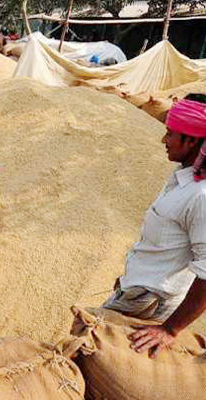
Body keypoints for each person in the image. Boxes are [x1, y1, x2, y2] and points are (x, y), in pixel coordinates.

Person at [102, 96, 206, 358]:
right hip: (139, 291)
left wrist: (171, 329)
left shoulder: (201, 196)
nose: (164, 140)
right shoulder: (184, 178)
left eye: (171, 134)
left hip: (150, 302)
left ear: (192, 140)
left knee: (95, 349)